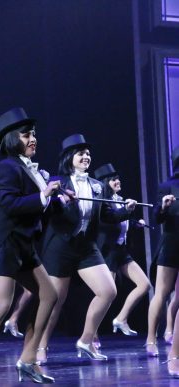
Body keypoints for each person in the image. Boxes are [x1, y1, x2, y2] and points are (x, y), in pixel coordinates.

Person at [0, 107, 60, 386]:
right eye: (27, 134)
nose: (33, 139)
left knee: (48, 294)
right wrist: (43, 195)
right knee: (1, 305)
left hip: (23, 244)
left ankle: (28, 360)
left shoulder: (31, 169)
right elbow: (9, 204)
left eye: (34, 134)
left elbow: (39, 208)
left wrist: (59, 200)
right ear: (11, 139)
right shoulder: (7, 167)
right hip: (3, 242)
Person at [38, 134, 136, 364]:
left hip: (86, 246)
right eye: (81, 153)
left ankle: (86, 339)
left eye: (88, 154)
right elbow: (47, 212)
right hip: (60, 245)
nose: (86, 157)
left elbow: (107, 215)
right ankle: (40, 346)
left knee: (108, 291)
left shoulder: (97, 185)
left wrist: (126, 210)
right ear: (70, 157)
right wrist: (60, 201)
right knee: (55, 300)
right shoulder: (57, 182)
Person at [94, 163, 150, 337]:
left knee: (144, 285)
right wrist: (126, 210)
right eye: (113, 180)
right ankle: (91, 334)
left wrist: (135, 223)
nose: (118, 181)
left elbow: (122, 222)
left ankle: (121, 318)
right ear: (105, 183)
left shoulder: (121, 199)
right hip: (108, 251)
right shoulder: (103, 203)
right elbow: (109, 221)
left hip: (122, 251)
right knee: (106, 295)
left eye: (118, 178)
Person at [146, 146, 179, 359]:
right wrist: (164, 207)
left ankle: (174, 341)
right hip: (171, 244)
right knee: (161, 294)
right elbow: (156, 217)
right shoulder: (168, 185)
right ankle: (150, 338)